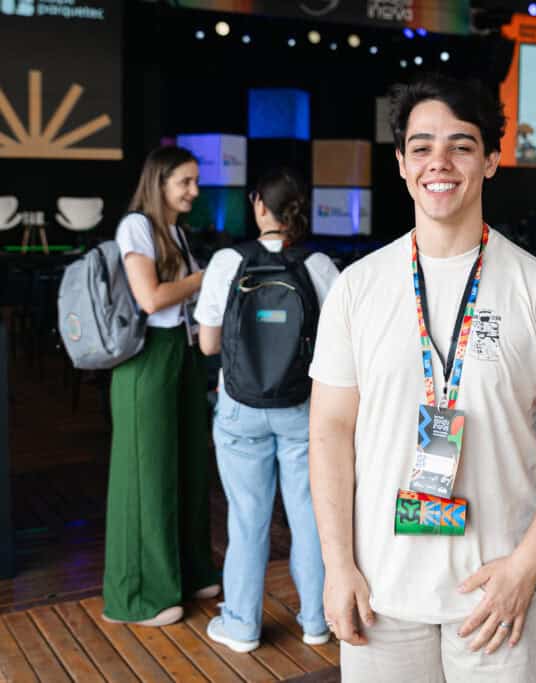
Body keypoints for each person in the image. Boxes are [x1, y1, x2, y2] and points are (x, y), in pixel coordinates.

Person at [308, 75, 536, 682]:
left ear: (492, 159)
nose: (438, 163)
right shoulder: (357, 288)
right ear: (400, 164)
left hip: (499, 598)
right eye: (421, 147)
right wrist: (337, 566)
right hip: (380, 594)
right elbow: (330, 431)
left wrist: (528, 567)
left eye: (461, 145)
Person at [195, 168, 339, 652]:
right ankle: (318, 619)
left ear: (259, 205)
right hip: (302, 408)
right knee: (310, 516)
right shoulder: (320, 266)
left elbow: (209, 344)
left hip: (240, 406)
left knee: (247, 517)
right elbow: (341, 349)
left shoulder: (227, 262)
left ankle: (240, 625)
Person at [102, 146, 219, 627]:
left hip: (183, 352)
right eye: (185, 182)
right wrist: (205, 279)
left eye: (194, 181)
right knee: (145, 474)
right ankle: (138, 595)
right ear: (161, 183)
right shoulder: (136, 226)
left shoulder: (174, 230)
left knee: (189, 464)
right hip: (147, 358)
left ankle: (187, 572)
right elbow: (150, 298)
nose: (194, 190)